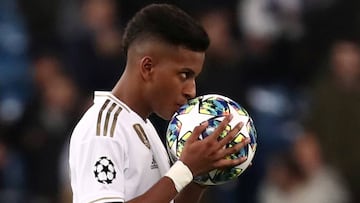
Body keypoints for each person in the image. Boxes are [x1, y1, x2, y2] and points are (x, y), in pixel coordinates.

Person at [68, 3, 250, 203]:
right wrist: (185, 170)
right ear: (147, 67)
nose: (192, 91)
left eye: (194, 77)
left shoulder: (145, 126)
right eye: (184, 74)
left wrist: (200, 178)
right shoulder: (102, 130)